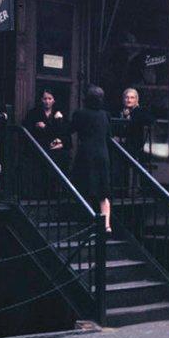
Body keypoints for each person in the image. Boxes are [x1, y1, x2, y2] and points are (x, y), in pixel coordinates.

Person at [70, 85, 113, 233]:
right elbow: (109, 135)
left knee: (84, 187)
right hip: (102, 154)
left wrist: (58, 121)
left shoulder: (80, 114)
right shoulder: (105, 115)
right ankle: (107, 224)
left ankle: (89, 222)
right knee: (103, 191)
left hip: (86, 154)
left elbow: (70, 129)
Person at [118, 88, 154, 162]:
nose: (129, 100)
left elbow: (150, 120)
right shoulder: (118, 111)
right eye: (127, 97)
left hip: (135, 148)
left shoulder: (141, 111)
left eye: (132, 98)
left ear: (136, 100)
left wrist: (131, 115)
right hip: (119, 147)